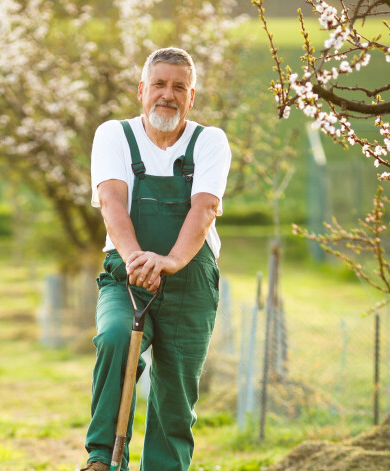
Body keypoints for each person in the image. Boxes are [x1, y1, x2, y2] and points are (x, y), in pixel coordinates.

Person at [81, 47, 232, 471]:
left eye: (179, 87)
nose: (168, 94)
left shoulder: (209, 141)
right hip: (125, 275)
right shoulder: (114, 135)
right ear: (142, 90)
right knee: (114, 338)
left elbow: (204, 208)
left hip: (190, 281)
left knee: (175, 398)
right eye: (160, 84)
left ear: (192, 96)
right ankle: (102, 460)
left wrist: (170, 262)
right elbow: (111, 201)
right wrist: (136, 260)